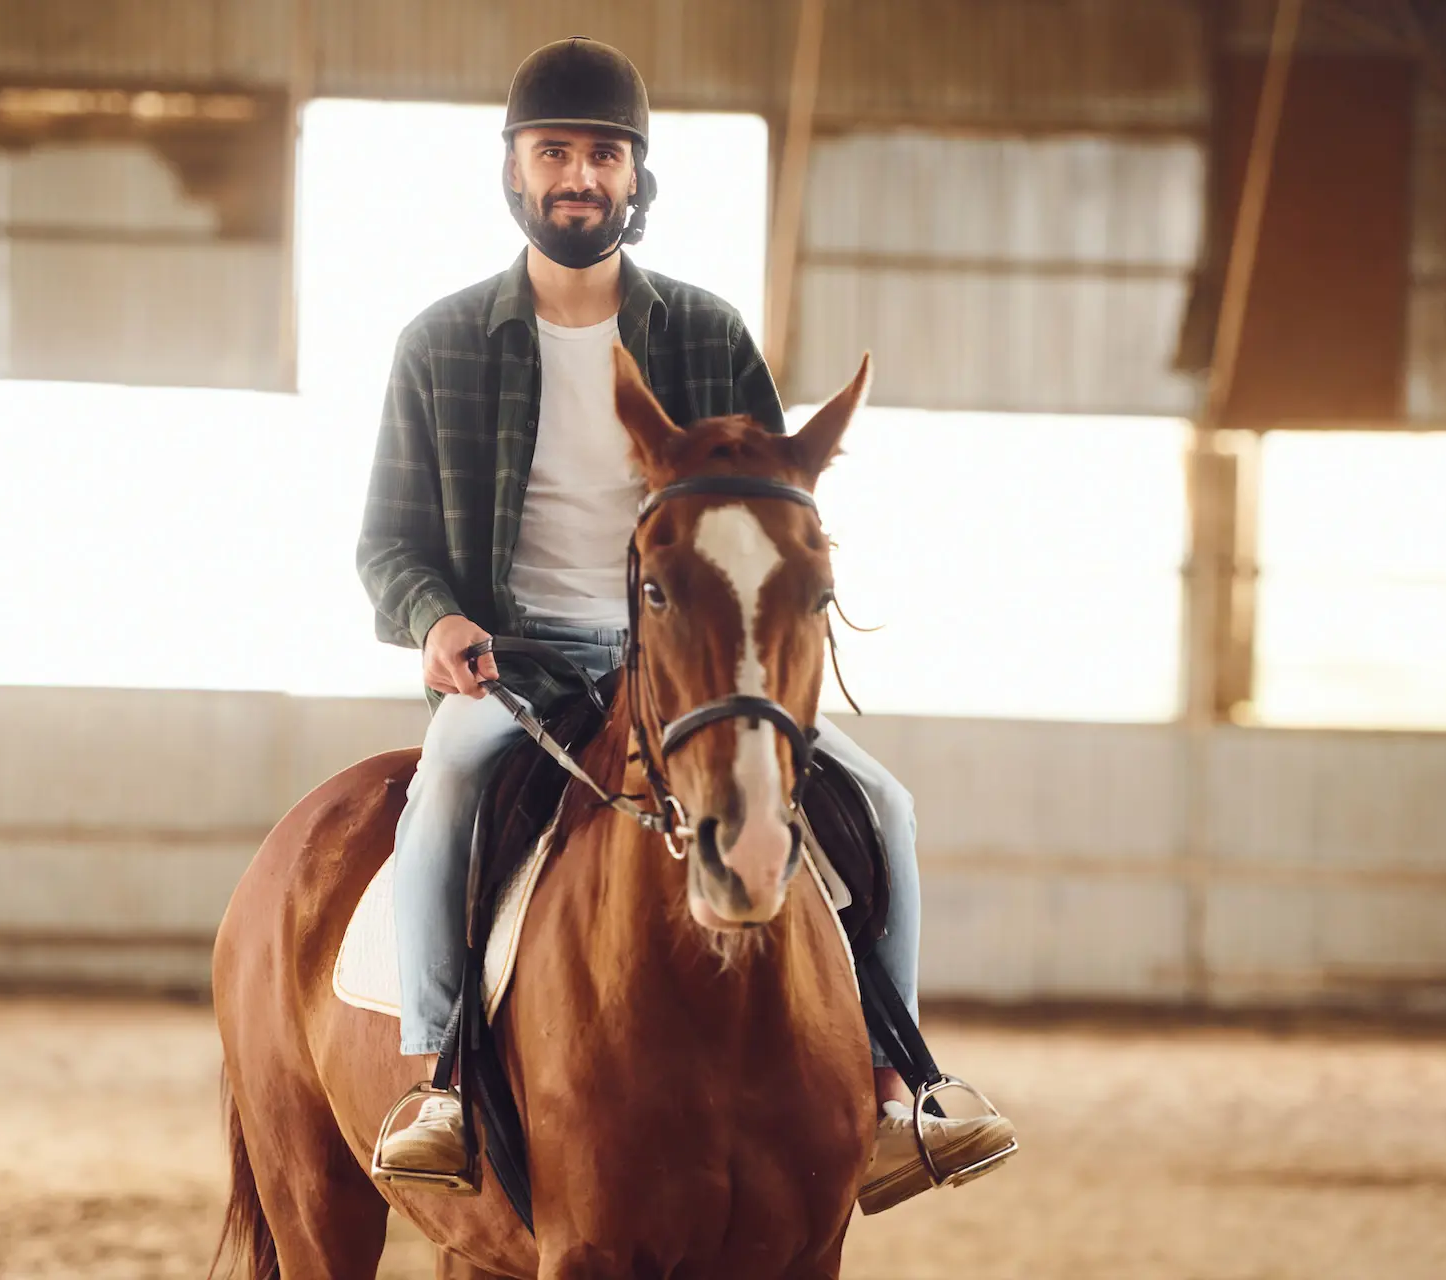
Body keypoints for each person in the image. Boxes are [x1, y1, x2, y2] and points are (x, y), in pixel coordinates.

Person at [356, 36, 1014, 1213]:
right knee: (443, 796)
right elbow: (388, 540)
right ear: (514, 172)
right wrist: (434, 616)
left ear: (634, 178)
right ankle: (441, 1081)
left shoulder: (707, 337)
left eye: (602, 154)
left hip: (692, 668)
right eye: (553, 152)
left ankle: (894, 1091)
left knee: (886, 809)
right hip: (514, 669)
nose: (577, 174)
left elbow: (773, 515)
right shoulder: (440, 345)